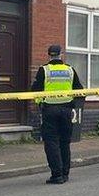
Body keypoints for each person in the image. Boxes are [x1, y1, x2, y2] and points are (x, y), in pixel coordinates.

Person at [30, 45, 83, 184]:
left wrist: (40, 103)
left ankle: (57, 175)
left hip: (50, 111)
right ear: (61, 54)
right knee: (65, 142)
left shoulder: (44, 70)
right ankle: (65, 174)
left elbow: (35, 90)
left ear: (49, 55)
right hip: (66, 111)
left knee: (51, 143)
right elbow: (79, 91)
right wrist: (74, 105)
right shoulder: (70, 70)